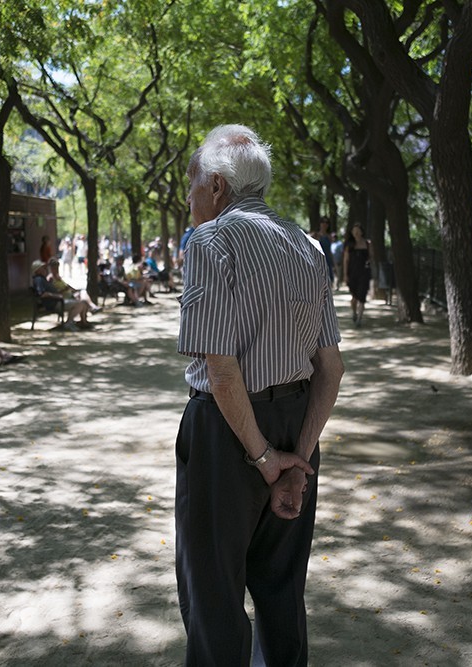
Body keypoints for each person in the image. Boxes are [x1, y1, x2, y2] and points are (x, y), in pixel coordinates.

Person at [175, 124, 344, 665]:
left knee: (214, 594)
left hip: (226, 434)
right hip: (298, 422)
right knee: (281, 587)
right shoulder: (307, 246)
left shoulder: (209, 241)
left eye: (193, 183)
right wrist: (297, 457)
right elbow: (331, 368)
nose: (190, 196)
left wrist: (265, 458)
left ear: (218, 186)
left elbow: (222, 375)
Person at [31, 260, 91, 331]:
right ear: (37, 270)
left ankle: (81, 322)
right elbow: (42, 294)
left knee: (83, 302)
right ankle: (68, 323)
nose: (45, 269)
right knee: (80, 304)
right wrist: (56, 296)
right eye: (43, 268)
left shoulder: (42, 279)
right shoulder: (39, 279)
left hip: (57, 301)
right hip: (54, 303)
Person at [343, 222, 372, 326]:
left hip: (364, 273)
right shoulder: (349, 245)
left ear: (362, 232)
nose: (356, 233)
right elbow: (346, 261)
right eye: (354, 231)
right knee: (354, 297)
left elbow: (371, 258)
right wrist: (345, 275)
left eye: (358, 231)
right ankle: (354, 313)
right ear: (352, 232)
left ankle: (360, 318)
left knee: (362, 296)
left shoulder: (367, 244)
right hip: (352, 273)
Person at [314, 216, 334, 286]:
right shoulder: (315, 235)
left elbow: (331, 250)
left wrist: (334, 263)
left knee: (329, 281)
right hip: (317, 260)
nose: (324, 224)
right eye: (323, 222)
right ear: (320, 223)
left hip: (327, 260)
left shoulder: (330, 237)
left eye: (326, 222)